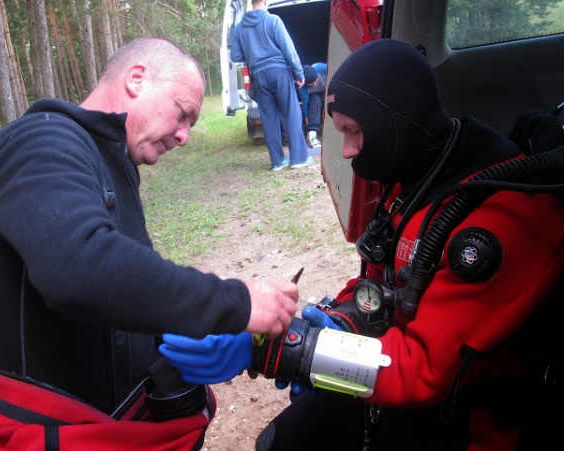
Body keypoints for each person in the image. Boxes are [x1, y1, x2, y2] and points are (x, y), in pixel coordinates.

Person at [159, 39, 564, 450]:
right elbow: (380, 285)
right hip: (396, 375)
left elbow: (423, 372)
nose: (349, 150)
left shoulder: (499, 220)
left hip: (471, 418)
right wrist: (338, 324)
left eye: (354, 131)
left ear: (398, 121)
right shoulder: (422, 177)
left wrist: (275, 351)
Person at [0, 36, 299, 450]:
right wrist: (237, 303)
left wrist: (194, 335)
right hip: (47, 433)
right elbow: (79, 268)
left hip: (115, 423)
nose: (184, 136)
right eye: (182, 114)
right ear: (137, 78)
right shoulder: (39, 141)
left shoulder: (113, 164)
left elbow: (120, 296)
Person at [231, 0, 313, 170]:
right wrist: (298, 72)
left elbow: (235, 56)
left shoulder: (239, 28)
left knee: (268, 118)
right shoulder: (273, 20)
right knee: (290, 112)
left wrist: (253, 53)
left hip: (258, 75)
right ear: (265, 1)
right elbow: (288, 49)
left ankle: (277, 161)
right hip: (279, 70)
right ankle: (298, 158)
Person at [299, 63, 327, 149]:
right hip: (316, 97)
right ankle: (313, 137)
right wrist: (309, 128)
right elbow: (306, 107)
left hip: (328, 91)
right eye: (311, 83)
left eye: (315, 80)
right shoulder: (303, 87)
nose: (315, 84)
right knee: (314, 100)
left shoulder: (323, 68)